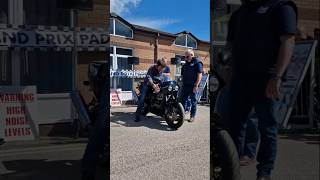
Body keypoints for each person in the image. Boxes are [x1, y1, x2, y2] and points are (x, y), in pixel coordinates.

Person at [226, 0, 297, 179]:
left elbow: (288, 41)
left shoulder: (281, 8)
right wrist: (225, 68)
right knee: (234, 126)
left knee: (268, 129)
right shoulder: (239, 14)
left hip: (267, 79)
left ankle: (264, 173)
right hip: (241, 79)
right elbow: (230, 46)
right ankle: (232, 169)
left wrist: (277, 76)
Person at [180, 49, 204, 122]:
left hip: (193, 86)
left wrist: (196, 85)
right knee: (182, 101)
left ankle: (192, 116)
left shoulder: (197, 63)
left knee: (193, 101)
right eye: (185, 57)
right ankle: (182, 115)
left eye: (187, 57)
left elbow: (200, 74)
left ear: (191, 55)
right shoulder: (185, 64)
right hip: (185, 86)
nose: (185, 58)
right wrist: (181, 82)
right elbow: (182, 75)